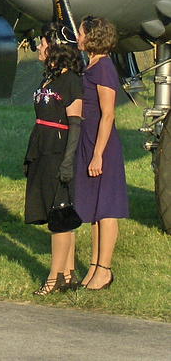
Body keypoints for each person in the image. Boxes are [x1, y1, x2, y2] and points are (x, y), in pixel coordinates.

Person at [23, 23, 84, 294]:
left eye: (43, 42)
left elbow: (76, 123)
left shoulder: (70, 80)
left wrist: (68, 162)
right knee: (56, 211)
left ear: (54, 46)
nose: (39, 47)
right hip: (42, 148)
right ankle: (69, 273)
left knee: (60, 216)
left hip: (58, 152)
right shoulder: (48, 76)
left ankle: (53, 277)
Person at [75, 16, 129, 290]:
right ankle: (95, 266)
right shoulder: (91, 65)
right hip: (88, 140)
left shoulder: (104, 68)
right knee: (95, 208)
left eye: (82, 33)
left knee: (107, 209)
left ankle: (105, 270)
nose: (78, 36)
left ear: (92, 37)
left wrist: (98, 154)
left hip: (103, 145)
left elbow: (108, 114)